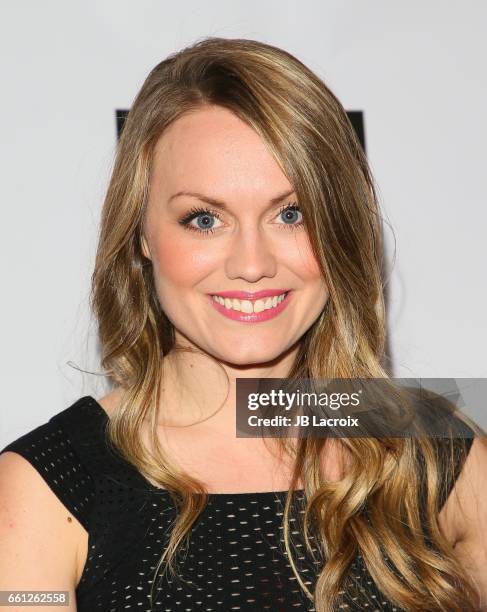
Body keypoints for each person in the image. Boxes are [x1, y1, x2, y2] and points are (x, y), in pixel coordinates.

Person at [0, 37, 486, 612]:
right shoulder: (46, 485)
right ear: (142, 236)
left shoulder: (435, 450)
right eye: (203, 219)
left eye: (292, 214)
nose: (252, 264)